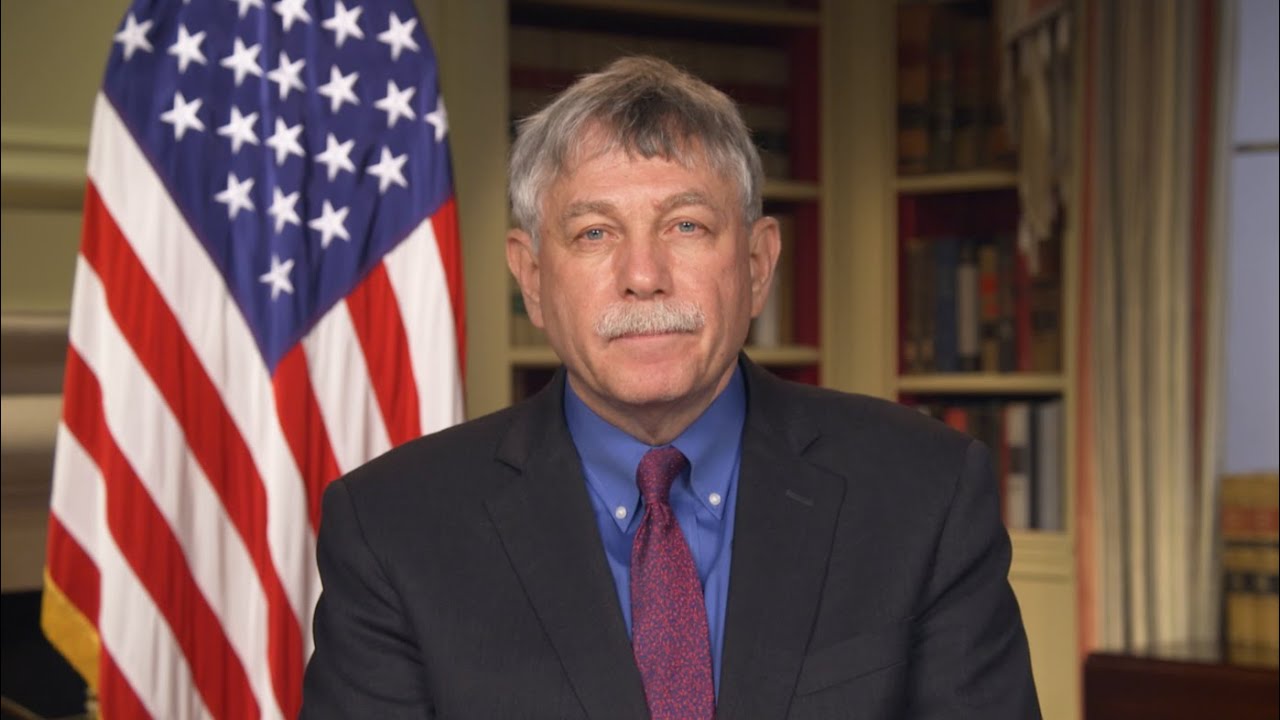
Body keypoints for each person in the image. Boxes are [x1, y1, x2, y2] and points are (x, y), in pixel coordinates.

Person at [301, 56, 1040, 719]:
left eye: (686, 225)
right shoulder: (393, 528)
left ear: (757, 264)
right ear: (531, 278)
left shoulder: (926, 493)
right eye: (594, 233)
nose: (643, 274)